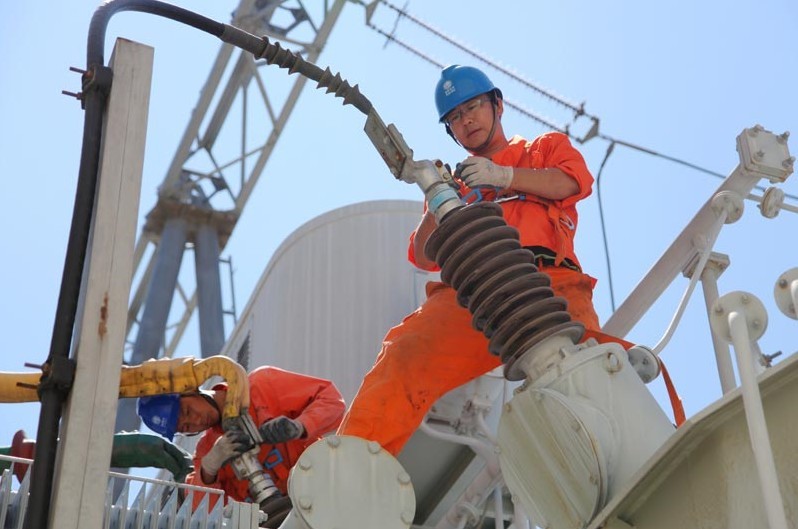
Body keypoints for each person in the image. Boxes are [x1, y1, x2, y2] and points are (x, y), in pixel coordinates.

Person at [337, 64, 632, 456]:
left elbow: (571, 181)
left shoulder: (542, 149)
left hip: (550, 284)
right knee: (404, 353)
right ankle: (347, 466)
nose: (466, 120)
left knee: (596, 377)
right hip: (476, 298)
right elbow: (422, 254)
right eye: (455, 117)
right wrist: (437, 194)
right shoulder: (452, 184)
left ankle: (632, 456)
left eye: (472, 106)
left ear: (497, 105)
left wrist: (503, 176)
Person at [138, 364, 345, 528]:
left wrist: (300, 426)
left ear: (190, 390)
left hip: (325, 493)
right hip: (278, 521)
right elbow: (206, 510)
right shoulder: (207, 451)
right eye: (186, 427)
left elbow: (331, 400)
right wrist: (209, 469)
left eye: (187, 411)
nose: (196, 421)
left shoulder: (261, 386)